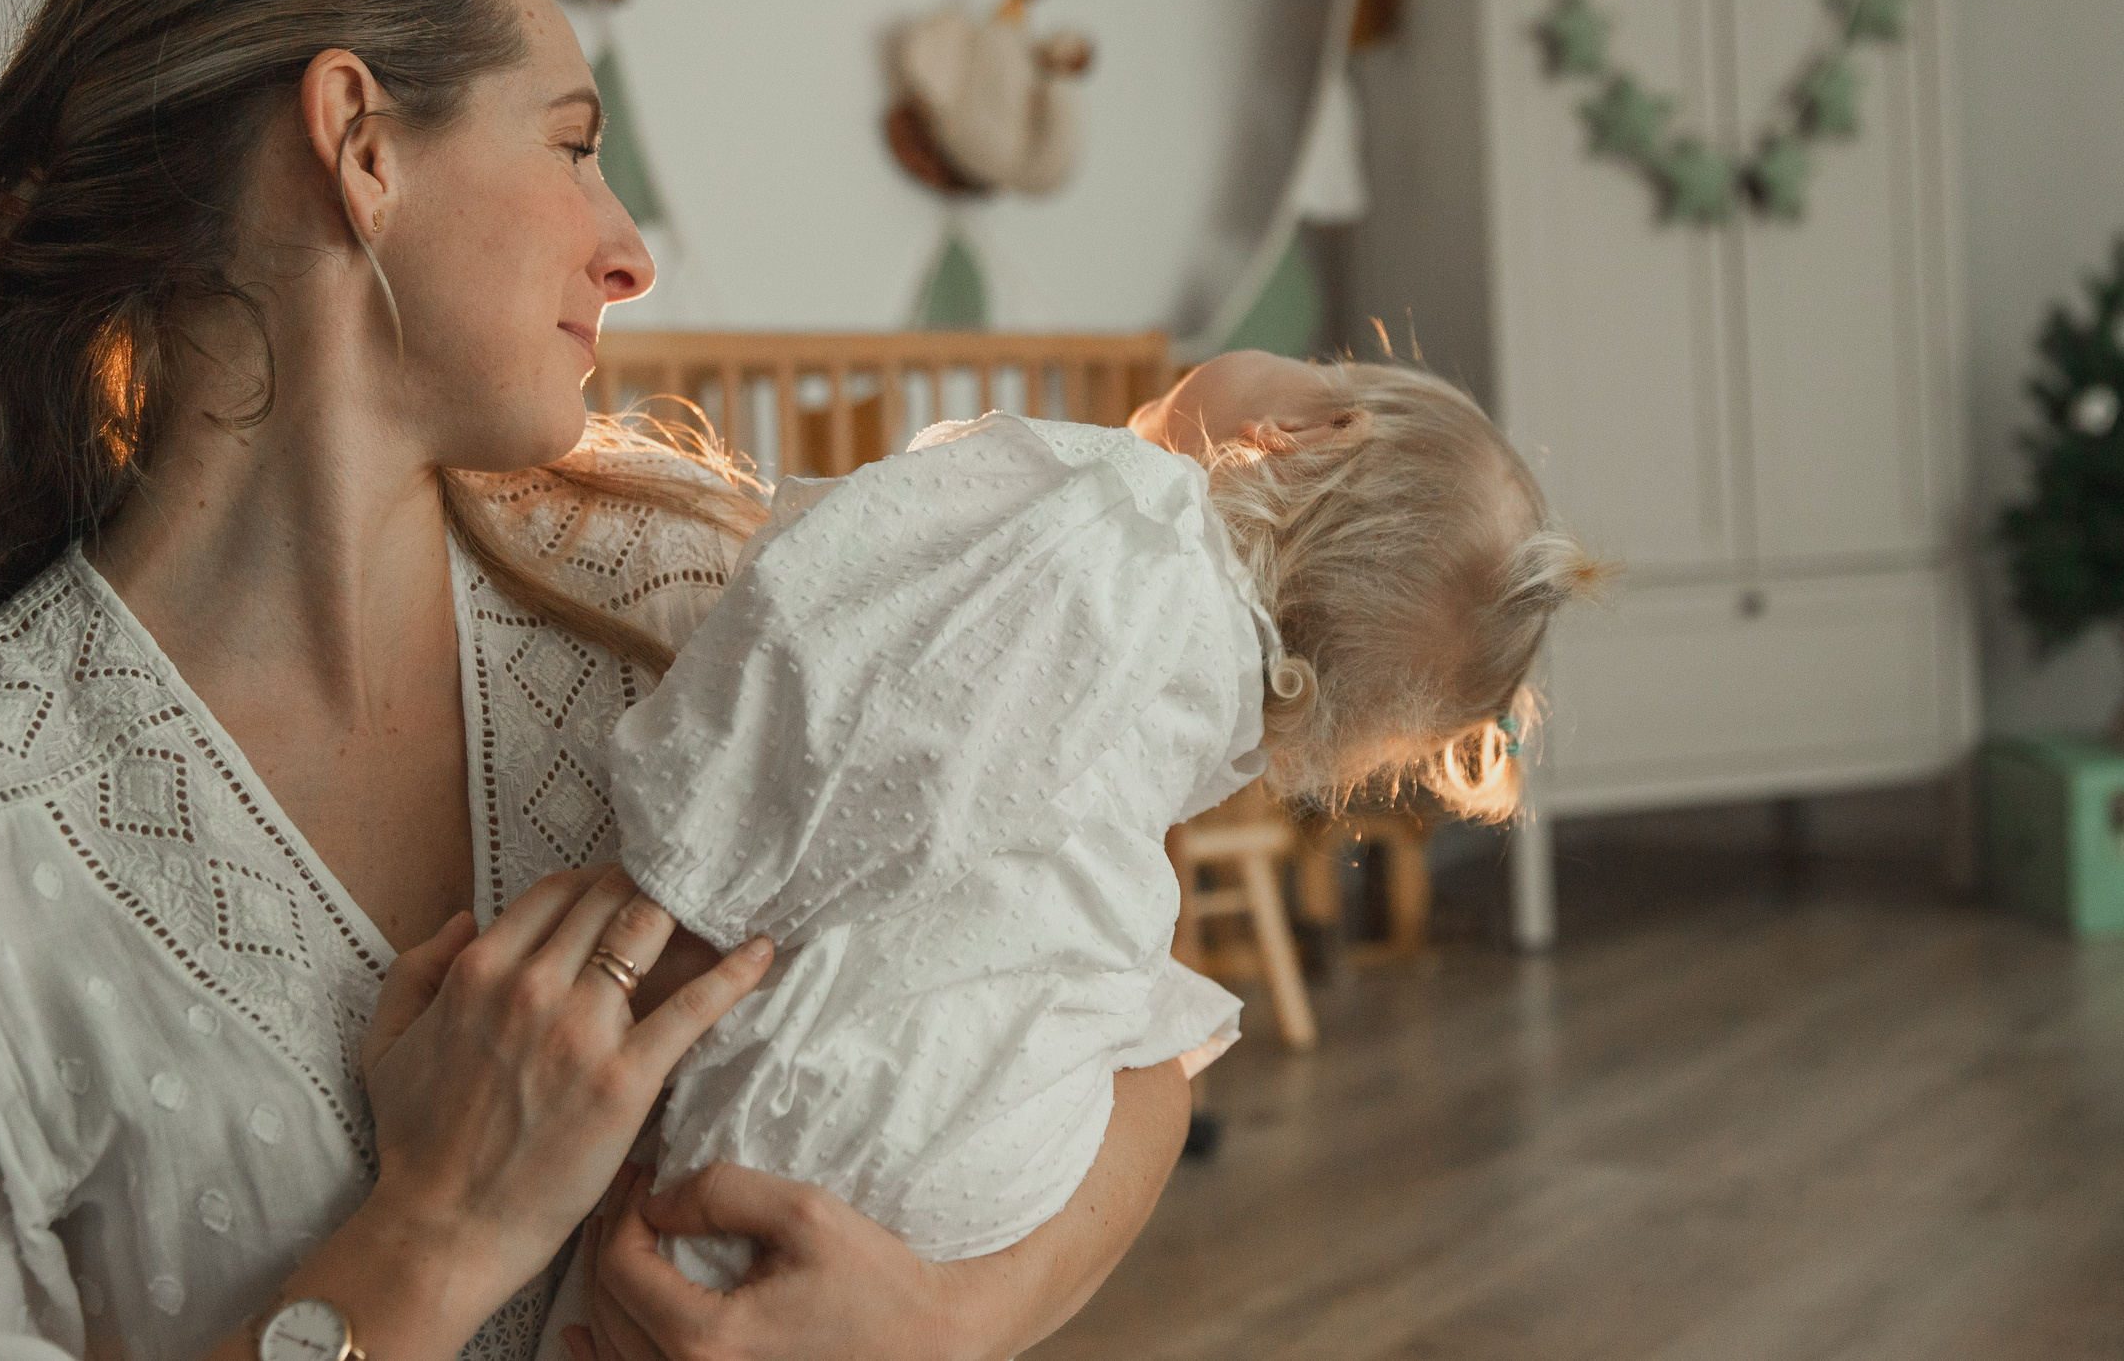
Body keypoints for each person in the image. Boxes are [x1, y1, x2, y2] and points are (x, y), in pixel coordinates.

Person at [0, 0, 1189, 1361]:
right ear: (362, 145)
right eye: (577, 144)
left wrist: (947, 1318)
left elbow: (1147, 1019)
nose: (629, 253)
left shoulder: (714, 602)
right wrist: (437, 1228)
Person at [594, 352, 1602, 1297]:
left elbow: (838, 626)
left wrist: (689, 880)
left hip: (812, 1060)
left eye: (1325, 362)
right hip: (966, 1144)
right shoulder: (1213, 712)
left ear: (1304, 430)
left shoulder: (1135, 510)